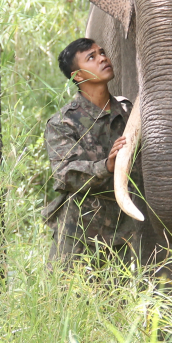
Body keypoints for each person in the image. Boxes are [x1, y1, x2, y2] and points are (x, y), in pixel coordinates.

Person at [44, 38, 143, 267]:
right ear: (77, 76)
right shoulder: (63, 122)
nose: (102, 58)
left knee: (120, 303)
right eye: (91, 57)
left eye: (102, 52)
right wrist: (106, 166)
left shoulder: (130, 114)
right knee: (71, 303)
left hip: (124, 237)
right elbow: (65, 175)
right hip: (78, 238)